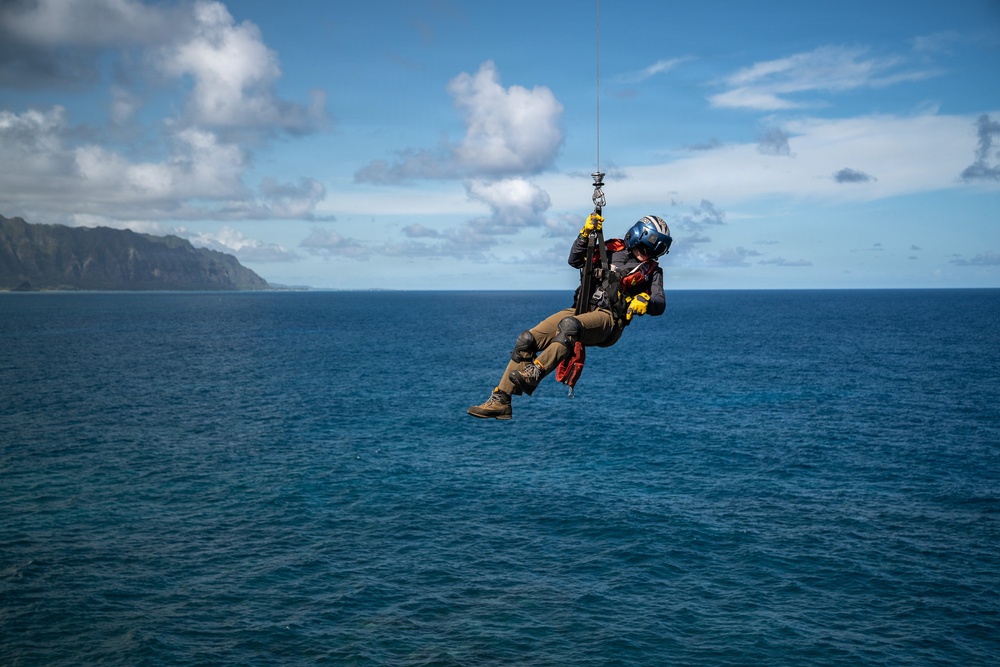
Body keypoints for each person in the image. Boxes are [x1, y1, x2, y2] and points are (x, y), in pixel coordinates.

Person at [467, 213, 672, 419]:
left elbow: (659, 304)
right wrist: (584, 235)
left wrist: (645, 301)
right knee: (526, 339)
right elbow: (574, 260)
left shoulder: (652, 272)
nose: (648, 256)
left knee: (569, 326)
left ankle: (535, 372)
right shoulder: (609, 249)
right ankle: (501, 400)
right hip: (580, 310)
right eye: (646, 249)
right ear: (636, 237)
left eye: (655, 253)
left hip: (608, 320)